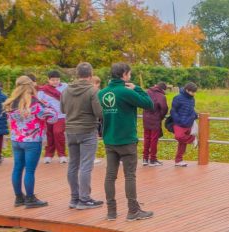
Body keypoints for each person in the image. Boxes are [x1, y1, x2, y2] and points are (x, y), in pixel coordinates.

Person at [99, 62, 155, 221]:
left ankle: (111, 211)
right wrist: (136, 88)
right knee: (130, 176)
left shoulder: (102, 93)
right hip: (126, 140)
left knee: (110, 176)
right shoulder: (125, 91)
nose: (129, 77)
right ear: (124, 75)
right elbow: (148, 104)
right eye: (129, 74)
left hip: (109, 139)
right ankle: (133, 211)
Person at [4, 76, 58, 208]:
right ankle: (30, 198)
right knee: (29, 170)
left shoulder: (10, 103)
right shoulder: (36, 103)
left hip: (16, 140)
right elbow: (53, 117)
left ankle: (18, 198)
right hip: (32, 141)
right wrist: (47, 105)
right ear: (30, 86)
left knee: (17, 168)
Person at [61, 62, 105, 210]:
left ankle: (74, 198)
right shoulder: (92, 91)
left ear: (77, 74)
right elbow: (99, 113)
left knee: (73, 165)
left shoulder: (66, 90)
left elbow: (62, 108)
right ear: (90, 75)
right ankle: (84, 199)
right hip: (87, 131)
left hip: (70, 130)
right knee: (86, 165)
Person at [38, 70, 68, 164]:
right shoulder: (43, 90)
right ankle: (48, 155)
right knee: (49, 134)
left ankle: (62, 155)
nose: (55, 82)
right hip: (48, 115)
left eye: (57, 79)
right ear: (48, 80)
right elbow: (39, 100)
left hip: (61, 115)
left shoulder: (65, 87)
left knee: (58, 132)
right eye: (53, 80)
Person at [170, 82, 198, 167]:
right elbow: (173, 111)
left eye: (195, 92)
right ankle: (193, 139)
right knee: (179, 136)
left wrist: (195, 115)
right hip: (179, 123)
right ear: (187, 90)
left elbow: (191, 109)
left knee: (182, 143)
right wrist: (178, 120)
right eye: (192, 92)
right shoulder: (177, 98)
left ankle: (179, 160)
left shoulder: (192, 99)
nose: (194, 93)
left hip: (188, 123)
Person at [142, 82, 168, 166]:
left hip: (146, 118)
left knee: (146, 138)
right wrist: (160, 116)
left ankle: (145, 159)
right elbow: (164, 108)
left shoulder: (147, 92)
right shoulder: (161, 96)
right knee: (154, 139)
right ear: (163, 89)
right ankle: (152, 159)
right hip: (155, 120)